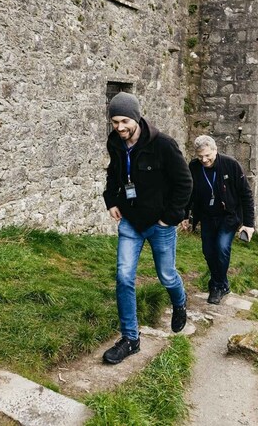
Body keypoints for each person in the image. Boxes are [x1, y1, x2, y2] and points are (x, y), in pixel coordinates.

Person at [101, 92, 193, 365]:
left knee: (166, 276)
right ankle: (130, 339)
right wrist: (111, 201)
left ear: (137, 117)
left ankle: (179, 302)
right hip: (130, 222)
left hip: (160, 225)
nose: (119, 127)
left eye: (125, 121)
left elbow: (185, 183)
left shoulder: (163, 144)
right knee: (124, 277)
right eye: (115, 121)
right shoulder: (114, 142)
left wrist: (170, 218)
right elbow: (114, 174)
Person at [183, 135, 255, 304]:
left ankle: (215, 286)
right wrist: (185, 216)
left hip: (228, 217)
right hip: (207, 216)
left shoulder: (231, 165)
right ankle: (223, 283)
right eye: (200, 156)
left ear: (215, 150)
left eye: (207, 155)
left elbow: (246, 195)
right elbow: (189, 193)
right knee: (208, 252)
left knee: (222, 248)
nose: (204, 160)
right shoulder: (194, 166)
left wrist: (249, 224)